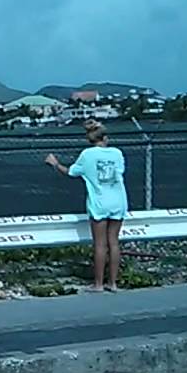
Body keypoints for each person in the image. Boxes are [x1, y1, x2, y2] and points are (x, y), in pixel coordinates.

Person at [45, 119, 129, 292]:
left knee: (100, 244)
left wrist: (55, 164)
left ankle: (98, 284)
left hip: (99, 202)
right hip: (118, 200)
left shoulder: (87, 155)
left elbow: (71, 172)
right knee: (113, 242)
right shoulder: (117, 153)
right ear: (105, 138)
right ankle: (113, 283)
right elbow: (120, 172)